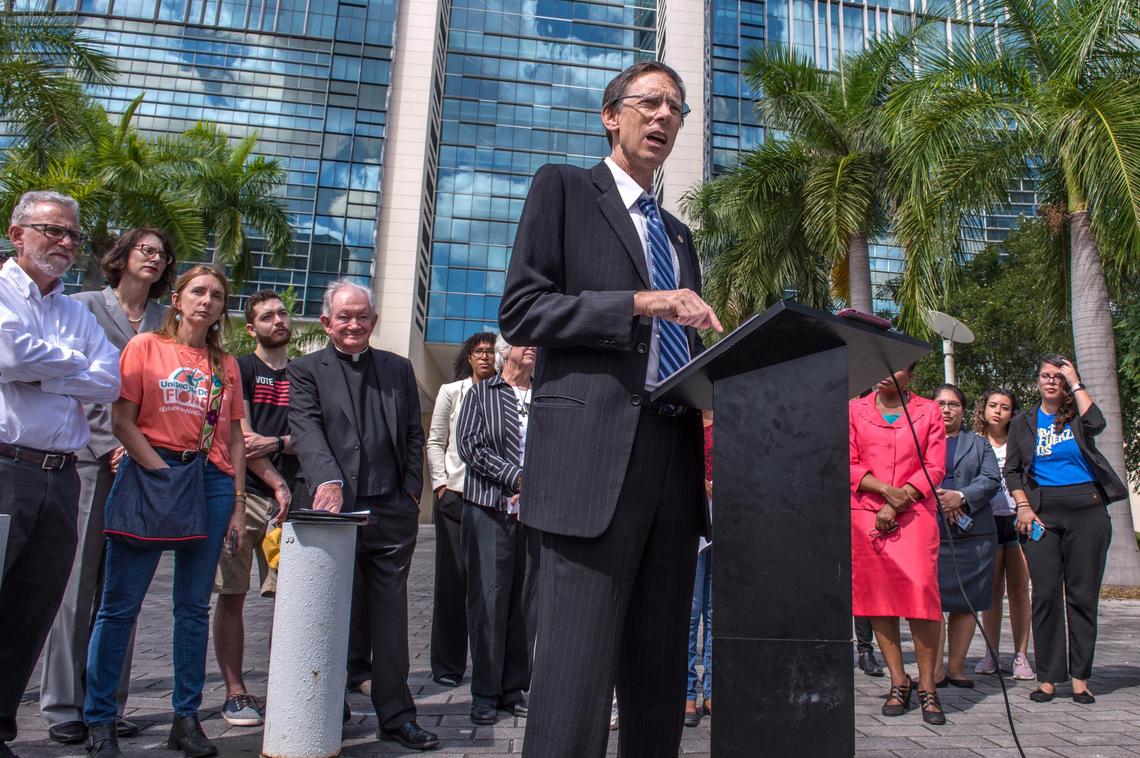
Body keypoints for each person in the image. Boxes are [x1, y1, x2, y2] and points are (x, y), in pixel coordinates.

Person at [500, 60, 722, 758]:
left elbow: (679, 350)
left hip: (672, 467)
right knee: (575, 679)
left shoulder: (680, 237)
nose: (663, 117)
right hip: (589, 464)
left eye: (676, 109)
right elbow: (522, 309)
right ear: (610, 114)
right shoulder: (565, 190)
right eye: (649, 103)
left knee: (659, 675)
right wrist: (640, 303)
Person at [84, 264, 246, 758]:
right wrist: (159, 471)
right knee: (119, 607)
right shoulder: (145, 347)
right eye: (198, 291)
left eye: (217, 295)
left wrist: (238, 505)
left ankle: (185, 718)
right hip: (152, 473)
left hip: (210, 482)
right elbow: (121, 420)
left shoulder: (225, 364)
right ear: (176, 298)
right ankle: (100, 721)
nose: (207, 301)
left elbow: (236, 438)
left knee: (193, 607)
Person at [288, 280, 439, 751]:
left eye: (362, 317)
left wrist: (412, 492)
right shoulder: (305, 370)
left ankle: (396, 715)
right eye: (344, 316)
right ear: (326, 321)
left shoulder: (397, 368)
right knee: (331, 614)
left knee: (391, 620)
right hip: (332, 511)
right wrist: (327, 481)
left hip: (390, 512)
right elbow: (307, 430)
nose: (353, 325)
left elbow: (415, 435)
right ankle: (329, 707)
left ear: (373, 321)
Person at [39, 228, 174, 746]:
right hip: (90, 460)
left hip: (141, 462)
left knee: (122, 591)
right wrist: (107, 443)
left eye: (162, 255)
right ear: (122, 256)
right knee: (76, 589)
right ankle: (62, 706)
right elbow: (72, 381)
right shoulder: (82, 307)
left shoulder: (166, 322)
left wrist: (144, 449)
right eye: (146, 250)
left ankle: (106, 704)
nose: (155, 259)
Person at [0, 191, 121, 758]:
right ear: (16, 232)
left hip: (62, 475)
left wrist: (44, 370)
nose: (66, 243)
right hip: (5, 469)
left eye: (73, 234)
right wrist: (69, 369)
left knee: (33, 609)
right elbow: (9, 355)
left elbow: (108, 382)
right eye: (53, 230)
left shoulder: (76, 312)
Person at [1006, 354, 1126, 705]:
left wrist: (1076, 380)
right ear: (1037, 381)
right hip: (1042, 514)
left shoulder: (1077, 416)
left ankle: (1080, 679)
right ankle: (1047, 677)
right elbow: (1012, 471)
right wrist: (1024, 506)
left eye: (1058, 377)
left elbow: (1098, 422)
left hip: (1087, 510)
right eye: (1045, 376)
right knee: (1044, 594)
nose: (1051, 381)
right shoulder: (1023, 422)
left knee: (1083, 596)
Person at [212, 290, 297, 727]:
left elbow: (316, 433)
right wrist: (276, 478)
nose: (278, 320)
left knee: (291, 599)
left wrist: (281, 443)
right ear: (251, 328)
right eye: (267, 316)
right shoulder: (240, 369)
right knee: (232, 594)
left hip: (291, 505)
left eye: (282, 313)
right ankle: (236, 692)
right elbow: (241, 439)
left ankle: (287, 686)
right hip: (243, 497)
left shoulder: (304, 375)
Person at [849, 366, 947, 725]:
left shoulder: (928, 411)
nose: (886, 372)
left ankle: (928, 687)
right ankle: (898, 682)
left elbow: (935, 466)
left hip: (915, 511)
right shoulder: (853, 410)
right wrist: (882, 492)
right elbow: (849, 462)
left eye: (898, 366)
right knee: (879, 600)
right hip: (866, 513)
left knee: (922, 596)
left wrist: (898, 499)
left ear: (911, 374)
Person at [456, 335, 539, 726]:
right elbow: (469, 446)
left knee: (526, 603)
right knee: (488, 601)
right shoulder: (482, 392)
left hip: (537, 515)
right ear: (506, 351)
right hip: (489, 509)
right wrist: (516, 477)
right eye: (526, 342)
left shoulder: (544, 395)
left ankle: (513, 689)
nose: (534, 348)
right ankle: (485, 692)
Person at [426, 331, 498, 688]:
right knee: (452, 581)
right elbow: (436, 440)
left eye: (490, 351)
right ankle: (448, 666)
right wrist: (440, 484)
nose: (485, 357)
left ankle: (490, 667)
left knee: (488, 586)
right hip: (454, 494)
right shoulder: (451, 392)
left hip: (493, 498)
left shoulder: (505, 396)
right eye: (479, 351)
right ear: (469, 357)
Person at [930, 384, 1000, 688]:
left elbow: (991, 479)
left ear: (963, 409)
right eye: (941, 403)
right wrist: (940, 500)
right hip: (930, 529)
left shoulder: (979, 443)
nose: (946, 409)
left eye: (954, 404)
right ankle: (933, 671)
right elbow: (906, 475)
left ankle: (956, 667)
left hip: (974, 533)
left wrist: (960, 496)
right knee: (933, 604)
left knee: (966, 601)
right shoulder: (919, 439)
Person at [973, 388, 1036, 680]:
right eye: (993, 405)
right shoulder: (974, 443)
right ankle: (991, 652)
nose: (998, 411)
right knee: (992, 592)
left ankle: (1021, 655)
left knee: (1020, 591)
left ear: (1013, 413)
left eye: (1006, 407)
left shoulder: (1020, 442)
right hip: (987, 521)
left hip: (1017, 520)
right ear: (984, 409)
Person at [685, 410, 714, 727]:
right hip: (692, 522)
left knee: (716, 609)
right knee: (690, 612)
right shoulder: (687, 415)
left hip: (725, 518)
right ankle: (686, 692)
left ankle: (712, 687)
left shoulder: (730, 410)